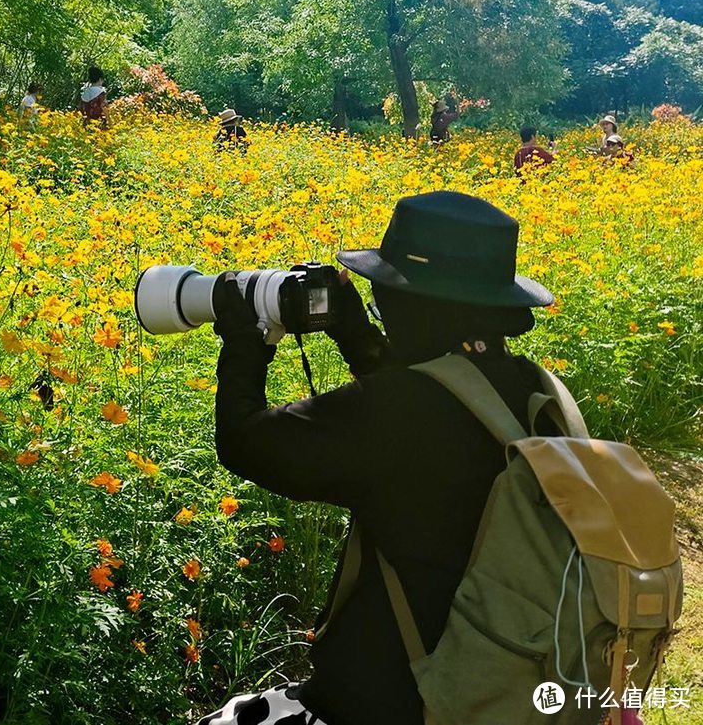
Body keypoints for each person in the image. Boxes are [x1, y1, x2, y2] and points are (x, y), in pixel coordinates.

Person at [204, 191, 556, 725]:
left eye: (382, 292)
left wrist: (246, 336)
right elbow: (439, 398)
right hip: (504, 678)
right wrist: (356, 336)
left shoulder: (391, 411)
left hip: (394, 697)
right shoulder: (533, 391)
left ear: (411, 301)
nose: (377, 301)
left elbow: (244, 441)